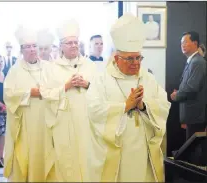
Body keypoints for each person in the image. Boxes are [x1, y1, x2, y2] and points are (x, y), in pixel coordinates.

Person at [86, 13, 170, 182]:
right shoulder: (102, 80)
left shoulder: (148, 78)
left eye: (139, 57)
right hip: (118, 152)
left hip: (143, 150)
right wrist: (125, 106)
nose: (136, 63)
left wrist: (143, 106)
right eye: (130, 58)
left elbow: (164, 105)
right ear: (116, 59)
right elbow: (94, 110)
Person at [40, 19, 97, 182]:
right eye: (69, 43)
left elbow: (101, 91)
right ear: (61, 46)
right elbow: (45, 93)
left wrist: (87, 84)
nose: (73, 45)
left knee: (85, 158)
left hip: (85, 122)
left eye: (76, 42)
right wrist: (65, 87)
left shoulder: (90, 65)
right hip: (62, 122)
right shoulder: (51, 68)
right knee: (66, 160)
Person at [3, 26, 47, 182]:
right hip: (25, 124)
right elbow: (8, 95)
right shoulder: (14, 71)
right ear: (21, 50)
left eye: (34, 46)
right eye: (28, 47)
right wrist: (29, 93)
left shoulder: (48, 68)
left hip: (45, 123)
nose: (32, 49)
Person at [170, 31, 207, 140]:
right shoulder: (192, 61)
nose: (183, 45)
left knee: (195, 151)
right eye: (181, 43)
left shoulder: (198, 62)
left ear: (195, 43)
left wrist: (176, 95)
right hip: (191, 115)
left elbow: (191, 87)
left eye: (186, 42)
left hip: (196, 116)